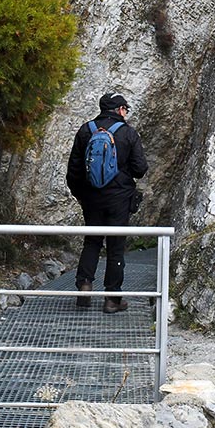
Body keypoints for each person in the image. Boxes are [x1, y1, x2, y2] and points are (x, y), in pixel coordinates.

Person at [66, 93, 148, 313]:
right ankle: (112, 300)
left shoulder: (86, 130)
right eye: (126, 109)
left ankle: (84, 285)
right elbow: (140, 169)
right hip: (119, 199)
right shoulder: (129, 133)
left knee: (92, 241)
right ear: (120, 109)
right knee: (115, 248)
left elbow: (73, 169)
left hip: (91, 197)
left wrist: (81, 194)